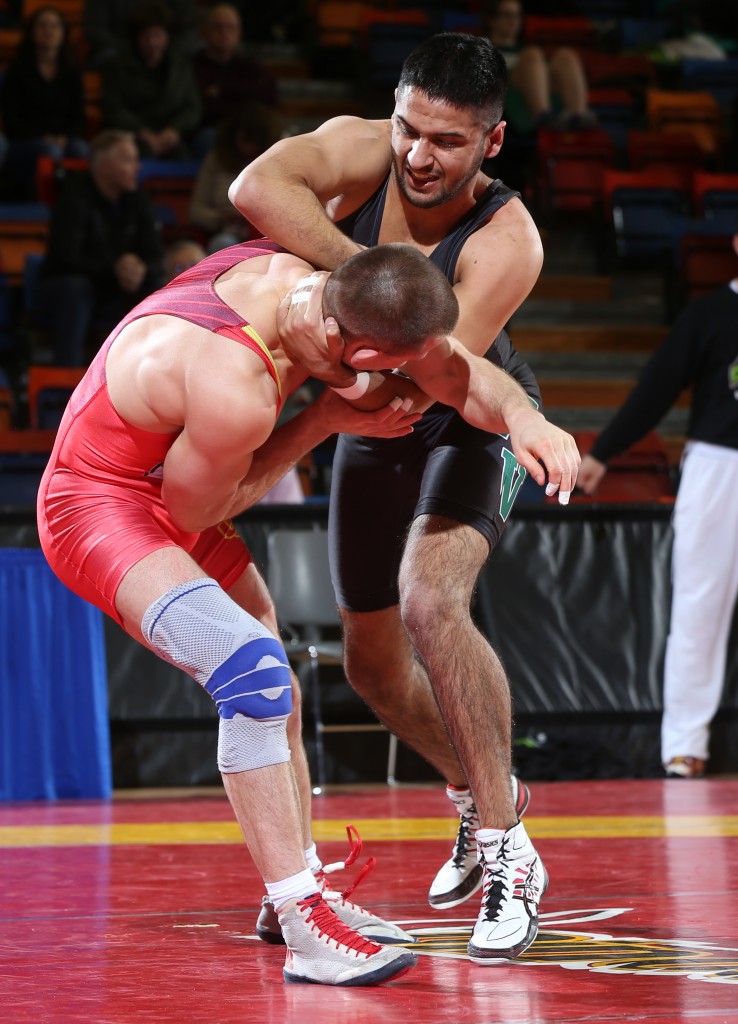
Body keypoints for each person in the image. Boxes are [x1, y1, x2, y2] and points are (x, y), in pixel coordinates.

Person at [36, 237, 570, 984]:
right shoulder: (236, 385)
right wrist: (321, 424)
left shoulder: (313, 283)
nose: (392, 388)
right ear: (343, 344)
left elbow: (453, 370)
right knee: (251, 675)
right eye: (384, 374)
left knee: (271, 670)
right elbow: (196, 508)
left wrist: (526, 420)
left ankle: (290, 888)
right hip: (103, 505)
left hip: (165, 481)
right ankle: (302, 922)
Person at [230, 32, 580, 963]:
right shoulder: (366, 148)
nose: (420, 157)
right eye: (410, 129)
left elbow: (422, 373)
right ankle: (477, 795)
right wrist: (367, 276)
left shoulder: (510, 241)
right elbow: (254, 190)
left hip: (464, 410)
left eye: (449, 143)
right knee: (372, 670)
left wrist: (360, 317)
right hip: (369, 417)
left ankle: (509, 848)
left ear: (493, 143)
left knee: (432, 598)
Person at [577, 231, 738, 781]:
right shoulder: (711, 314)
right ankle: (684, 747)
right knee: (699, 601)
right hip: (720, 465)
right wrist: (603, 452)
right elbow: (657, 387)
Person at [32, 129, 165, 366]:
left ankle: (148, 373)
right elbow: (65, 259)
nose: (138, 167)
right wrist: (115, 268)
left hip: (114, 286)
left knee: (157, 286)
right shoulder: (73, 199)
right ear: (104, 165)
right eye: (128, 160)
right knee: (76, 288)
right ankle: (68, 380)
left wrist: (140, 269)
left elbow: (155, 255)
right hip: (67, 289)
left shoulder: (138, 199)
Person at [0, 5, 89, 199]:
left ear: (64, 32)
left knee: (81, 148)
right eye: (42, 25)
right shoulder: (18, 71)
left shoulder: (72, 72)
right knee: (49, 150)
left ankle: (76, 204)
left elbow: (79, 117)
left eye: (54, 26)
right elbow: (12, 120)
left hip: (63, 139)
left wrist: (65, 137)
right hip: (25, 141)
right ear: (32, 32)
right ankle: (41, 203)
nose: (49, 31)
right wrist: (45, 137)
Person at [100, 0, 201, 159]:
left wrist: (174, 130)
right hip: (131, 138)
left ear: (167, 36)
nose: (152, 43)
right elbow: (114, 108)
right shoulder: (118, 66)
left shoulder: (181, 67)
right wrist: (142, 132)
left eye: (158, 35)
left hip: (172, 139)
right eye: (146, 36)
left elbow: (192, 108)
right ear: (136, 38)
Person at [485, 0, 596, 134]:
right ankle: (543, 116)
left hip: (545, 95)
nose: (513, 21)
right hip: (508, 102)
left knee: (565, 56)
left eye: (517, 16)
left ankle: (578, 114)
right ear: (492, 19)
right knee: (533, 56)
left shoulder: (524, 48)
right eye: (507, 15)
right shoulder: (484, 49)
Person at [189, 101, 283, 252]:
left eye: (254, 140)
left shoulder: (277, 162)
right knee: (224, 244)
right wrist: (222, 218)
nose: (248, 148)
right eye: (245, 139)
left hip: (267, 234)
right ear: (233, 135)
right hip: (226, 233)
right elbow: (196, 211)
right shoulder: (217, 160)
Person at [190, 3, 278, 158]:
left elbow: (270, 96)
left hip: (248, 128)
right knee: (208, 138)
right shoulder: (193, 66)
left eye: (230, 28)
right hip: (212, 130)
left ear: (239, 33)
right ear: (204, 32)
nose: (224, 33)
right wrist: (244, 99)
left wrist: (223, 90)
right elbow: (205, 108)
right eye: (218, 27)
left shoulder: (249, 65)